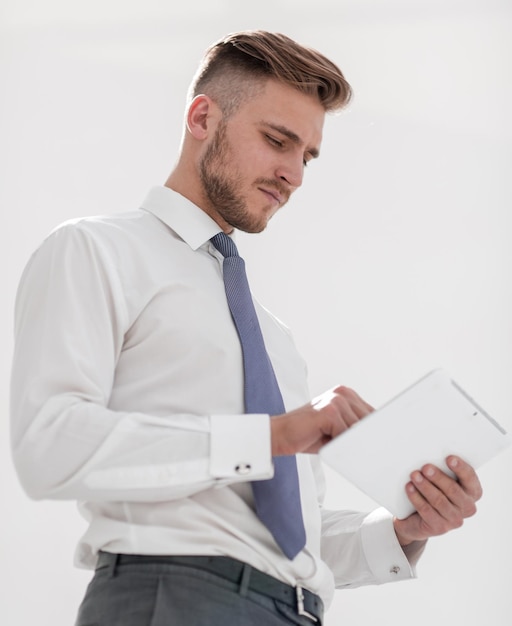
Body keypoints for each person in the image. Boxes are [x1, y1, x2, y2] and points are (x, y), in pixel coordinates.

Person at [10, 30, 482, 626]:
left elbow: (286, 538)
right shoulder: (96, 250)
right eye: (277, 140)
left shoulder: (273, 337)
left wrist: (403, 532)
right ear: (203, 117)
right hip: (174, 597)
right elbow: (49, 447)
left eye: (306, 156)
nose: (294, 175)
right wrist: (273, 437)